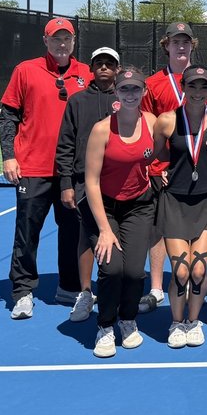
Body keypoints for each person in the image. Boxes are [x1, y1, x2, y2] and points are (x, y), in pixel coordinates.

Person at [1, 17, 93, 320]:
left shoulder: (87, 74)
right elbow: (8, 117)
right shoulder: (25, 71)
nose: (62, 44)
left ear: (74, 41)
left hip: (72, 172)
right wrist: (8, 156)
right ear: (46, 41)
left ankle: (68, 286)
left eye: (67, 38)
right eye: (56, 39)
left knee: (72, 231)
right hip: (32, 168)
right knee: (27, 233)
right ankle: (23, 291)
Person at [138, 22, 207, 314]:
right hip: (164, 173)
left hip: (196, 172)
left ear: (192, 46)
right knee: (159, 233)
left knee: (194, 259)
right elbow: (148, 124)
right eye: (176, 42)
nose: (181, 47)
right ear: (167, 46)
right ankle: (157, 288)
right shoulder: (152, 83)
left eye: (186, 42)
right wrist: (154, 167)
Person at [152, 65, 207, 349]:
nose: (198, 92)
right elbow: (157, 153)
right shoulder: (167, 121)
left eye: (203, 87)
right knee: (181, 272)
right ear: (183, 87)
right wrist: (158, 169)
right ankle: (176, 322)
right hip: (174, 202)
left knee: (197, 270)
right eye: (192, 86)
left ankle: (193, 321)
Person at [82, 67, 157, 357]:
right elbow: (91, 181)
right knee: (112, 269)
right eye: (124, 89)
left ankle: (128, 321)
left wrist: (157, 173)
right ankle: (105, 325)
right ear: (116, 92)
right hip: (106, 207)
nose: (130, 94)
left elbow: (159, 156)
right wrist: (104, 228)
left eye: (135, 89)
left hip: (139, 206)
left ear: (143, 93)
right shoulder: (102, 129)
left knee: (135, 272)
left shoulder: (151, 122)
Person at [55, 46, 121, 323]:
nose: (104, 67)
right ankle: (85, 292)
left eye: (109, 63)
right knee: (86, 235)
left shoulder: (125, 98)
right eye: (99, 63)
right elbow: (65, 144)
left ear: (117, 69)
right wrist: (66, 183)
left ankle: (119, 292)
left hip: (119, 180)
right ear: (92, 69)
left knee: (119, 234)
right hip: (84, 181)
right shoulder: (77, 101)